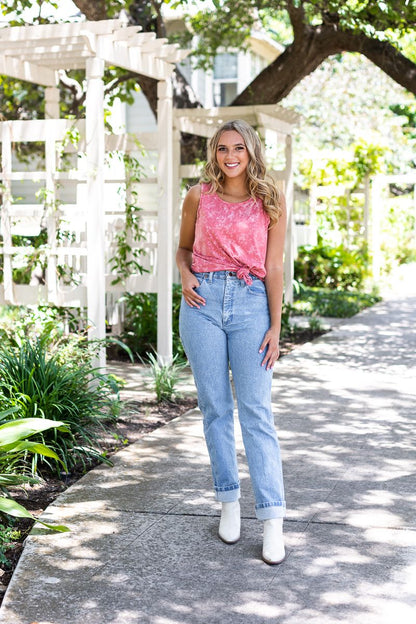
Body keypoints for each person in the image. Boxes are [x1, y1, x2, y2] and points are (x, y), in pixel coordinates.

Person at [176, 119, 287, 565]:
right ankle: (228, 501)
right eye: (222, 148)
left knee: (257, 412)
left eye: (238, 147)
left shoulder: (270, 198)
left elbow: (274, 267)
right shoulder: (198, 195)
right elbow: (184, 249)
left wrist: (276, 327)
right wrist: (184, 276)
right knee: (216, 407)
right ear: (214, 153)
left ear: (251, 150)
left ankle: (273, 519)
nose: (230, 156)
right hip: (201, 303)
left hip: (251, 305)